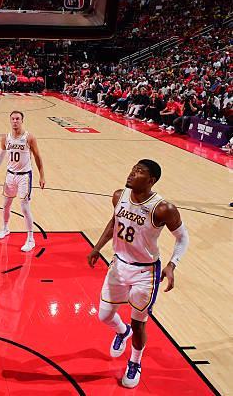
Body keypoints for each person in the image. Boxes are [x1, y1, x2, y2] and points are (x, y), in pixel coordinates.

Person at [87, 159, 188, 388]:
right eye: (133, 169)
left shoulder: (163, 208)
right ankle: (122, 332)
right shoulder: (119, 196)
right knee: (104, 315)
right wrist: (97, 247)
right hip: (118, 265)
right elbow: (114, 223)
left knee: (139, 323)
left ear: (151, 180)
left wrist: (172, 264)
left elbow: (183, 237)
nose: (132, 173)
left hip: (145, 272)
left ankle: (135, 362)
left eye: (139, 172)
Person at [0, 110, 45, 251]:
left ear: (22, 121)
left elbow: (37, 157)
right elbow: (1, 154)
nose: (15, 121)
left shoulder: (29, 137)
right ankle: (5, 228)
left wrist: (42, 175)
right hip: (10, 175)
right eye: (13, 119)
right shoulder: (6, 137)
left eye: (17, 119)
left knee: (25, 208)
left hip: (24, 176)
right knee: (6, 204)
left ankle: (31, 239)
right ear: (10, 120)